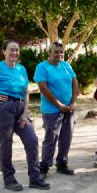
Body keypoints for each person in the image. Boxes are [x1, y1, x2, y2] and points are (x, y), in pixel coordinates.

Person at [0, 40, 49, 191]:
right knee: (6, 144)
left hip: (20, 108)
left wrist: (24, 113)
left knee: (32, 140)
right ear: (4, 51)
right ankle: (9, 179)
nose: (14, 53)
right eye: (11, 50)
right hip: (4, 109)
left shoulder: (21, 69)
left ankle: (35, 178)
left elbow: (26, 92)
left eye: (16, 50)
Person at [34, 42, 79, 178]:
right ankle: (44, 167)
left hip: (68, 109)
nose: (59, 54)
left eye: (61, 52)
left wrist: (73, 102)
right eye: (56, 52)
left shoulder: (66, 65)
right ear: (50, 53)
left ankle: (62, 164)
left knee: (66, 137)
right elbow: (43, 88)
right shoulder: (42, 67)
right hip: (51, 110)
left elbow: (75, 83)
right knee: (51, 138)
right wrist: (58, 104)